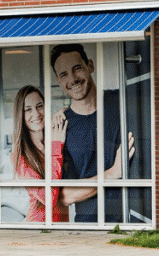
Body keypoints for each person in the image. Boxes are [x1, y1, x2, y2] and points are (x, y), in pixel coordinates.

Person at [50, 43, 135, 223]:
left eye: (77, 68)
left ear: (90, 65)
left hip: (134, 219)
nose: (72, 79)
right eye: (64, 74)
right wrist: (113, 173)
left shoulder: (124, 100)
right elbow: (66, 196)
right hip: (89, 226)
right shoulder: (61, 128)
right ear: (58, 80)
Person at [10, 85, 68, 222]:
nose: (36, 114)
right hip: (39, 225)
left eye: (39, 106)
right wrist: (56, 147)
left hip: (63, 223)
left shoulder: (54, 138)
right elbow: (49, 198)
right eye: (28, 109)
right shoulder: (19, 155)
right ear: (20, 115)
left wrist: (66, 115)